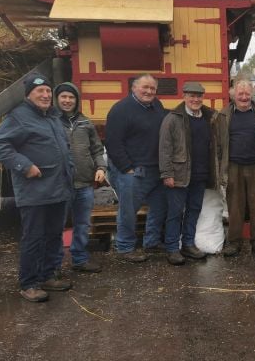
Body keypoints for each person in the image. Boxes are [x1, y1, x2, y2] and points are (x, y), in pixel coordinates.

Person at [0, 74, 74, 302]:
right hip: (35, 190)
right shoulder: (19, 116)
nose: (46, 95)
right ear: (29, 95)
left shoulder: (53, 116)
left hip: (58, 187)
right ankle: (29, 283)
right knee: (34, 237)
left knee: (54, 235)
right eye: (40, 92)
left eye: (48, 91)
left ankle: (47, 275)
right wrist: (24, 166)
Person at [105, 74, 168, 263]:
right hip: (133, 171)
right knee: (128, 210)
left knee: (158, 207)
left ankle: (152, 241)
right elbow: (113, 142)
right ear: (133, 88)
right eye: (145, 88)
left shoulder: (157, 106)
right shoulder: (120, 110)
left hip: (156, 169)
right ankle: (125, 247)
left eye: (153, 89)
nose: (149, 91)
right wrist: (126, 168)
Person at [159, 82, 218, 265]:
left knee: (194, 210)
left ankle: (188, 244)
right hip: (178, 175)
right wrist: (166, 173)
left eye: (199, 96)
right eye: (191, 96)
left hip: (200, 174)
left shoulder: (209, 117)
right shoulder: (173, 118)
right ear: (184, 96)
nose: (195, 99)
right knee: (175, 213)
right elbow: (165, 148)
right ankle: (171, 248)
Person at [53, 82, 106, 273]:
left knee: (83, 224)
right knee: (56, 226)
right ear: (57, 99)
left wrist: (100, 166)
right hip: (60, 184)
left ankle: (80, 259)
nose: (67, 100)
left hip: (84, 183)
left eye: (71, 97)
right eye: (63, 97)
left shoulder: (85, 122)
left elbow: (97, 149)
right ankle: (54, 265)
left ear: (77, 100)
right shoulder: (51, 121)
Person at [217, 80, 255, 257]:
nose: (244, 97)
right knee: (235, 206)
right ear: (233, 95)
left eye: (247, 93)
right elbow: (218, 143)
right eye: (240, 94)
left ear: (252, 95)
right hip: (233, 165)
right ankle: (234, 242)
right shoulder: (223, 115)